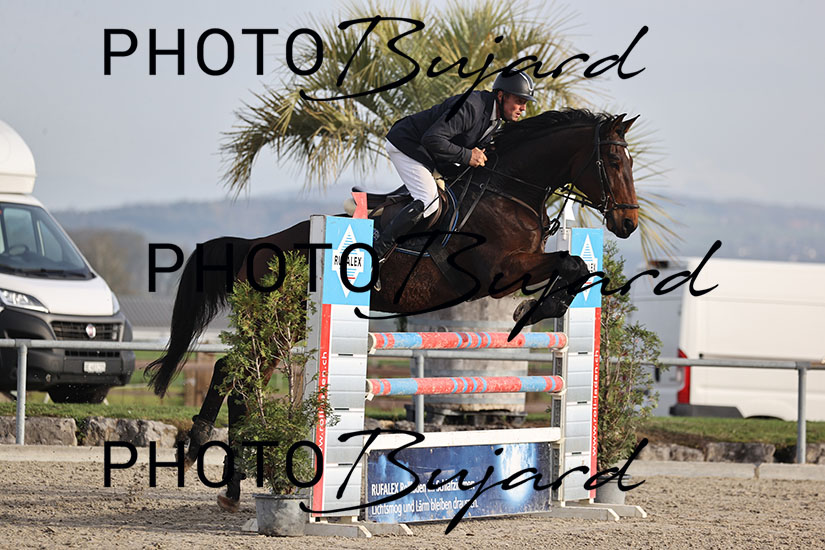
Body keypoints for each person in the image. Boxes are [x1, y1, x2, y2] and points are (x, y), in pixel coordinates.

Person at [374, 70, 537, 262]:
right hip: (406, 144)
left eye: (525, 103)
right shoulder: (472, 106)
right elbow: (432, 138)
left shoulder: (494, 120)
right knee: (428, 200)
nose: (523, 108)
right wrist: (468, 155)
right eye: (519, 101)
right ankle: (379, 251)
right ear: (501, 96)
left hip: (428, 154)